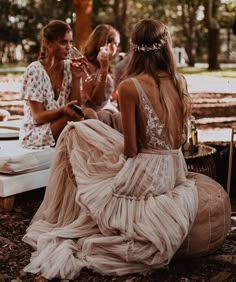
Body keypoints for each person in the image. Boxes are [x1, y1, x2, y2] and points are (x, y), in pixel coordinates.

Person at [22, 19, 231, 280]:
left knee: (77, 133)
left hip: (147, 172)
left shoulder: (129, 86)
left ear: (135, 49)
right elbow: (178, 140)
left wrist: (110, 153)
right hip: (175, 167)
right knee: (91, 133)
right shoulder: (180, 81)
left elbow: (131, 149)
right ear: (165, 47)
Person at [19, 20, 96, 149]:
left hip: (62, 122)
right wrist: (63, 110)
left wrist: (77, 78)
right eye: (63, 42)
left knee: (90, 113)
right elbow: (37, 118)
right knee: (75, 118)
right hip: (37, 131)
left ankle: (94, 156)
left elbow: (76, 106)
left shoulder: (69, 67)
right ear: (48, 44)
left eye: (70, 42)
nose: (68, 47)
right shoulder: (35, 71)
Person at [82, 24, 122, 132]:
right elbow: (96, 100)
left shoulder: (104, 65)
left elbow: (106, 98)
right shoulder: (85, 66)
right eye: (115, 44)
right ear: (105, 44)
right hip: (93, 115)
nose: (117, 49)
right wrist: (104, 69)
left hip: (108, 109)